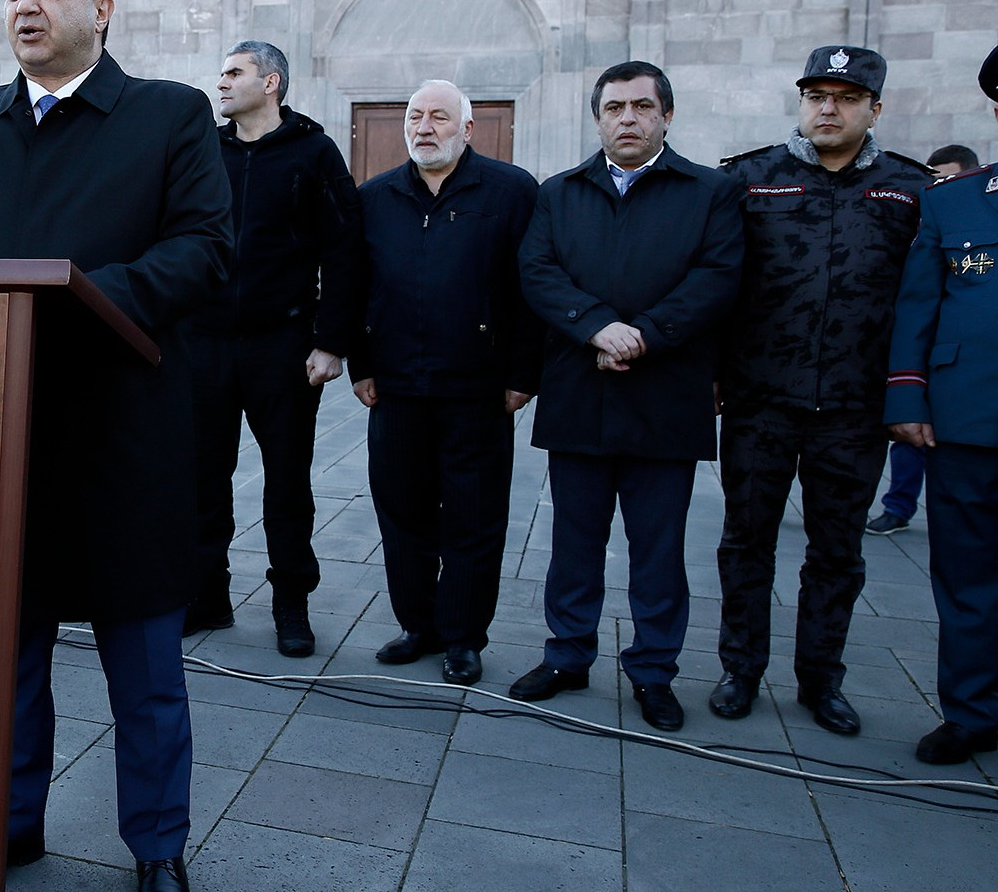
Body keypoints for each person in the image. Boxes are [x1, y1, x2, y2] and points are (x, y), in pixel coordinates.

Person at [0, 0, 231, 892]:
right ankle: (9, 825)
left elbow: (204, 250)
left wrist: (68, 299)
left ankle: (157, 847)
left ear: (102, 9)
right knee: (4, 660)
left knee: (146, 673)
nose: (26, 5)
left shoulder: (170, 115)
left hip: (124, 439)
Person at [509, 61, 743, 733]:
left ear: (666, 115)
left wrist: (646, 335)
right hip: (580, 392)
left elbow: (718, 275)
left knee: (658, 549)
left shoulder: (710, 192)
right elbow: (538, 271)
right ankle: (567, 655)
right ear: (598, 119)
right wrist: (595, 327)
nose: (628, 119)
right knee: (574, 542)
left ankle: (653, 671)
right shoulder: (560, 193)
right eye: (615, 108)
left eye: (642, 106)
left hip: (665, 397)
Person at [709, 46, 932, 735]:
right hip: (760, 400)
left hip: (853, 406)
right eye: (816, 96)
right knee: (746, 541)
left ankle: (820, 680)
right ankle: (740, 669)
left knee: (837, 551)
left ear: (874, 109)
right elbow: (718, 284)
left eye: (845, 98)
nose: (828, 109)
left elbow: (924, 299)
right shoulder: (750, 179)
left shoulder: (912, 189)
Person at [349, 79, 542, 686]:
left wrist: (523, 374)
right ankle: (417, 625)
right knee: (402, 513)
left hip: (478, 389)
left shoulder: (511, 192)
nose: (424, 127)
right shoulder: (375, 197)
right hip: (396, 389)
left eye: (439, 116)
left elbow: (530, 288)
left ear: (468, 129)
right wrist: (361, 365)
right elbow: (355, 287)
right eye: (415, 116)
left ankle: (462, 636)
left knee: (473, 517)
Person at [185, 40, 355, 657]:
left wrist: (331, 343)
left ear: (271, 82)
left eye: (235, 73)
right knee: (203, 479)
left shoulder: (314, 152)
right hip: (205, 343)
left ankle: (291, 604)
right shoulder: (205, 149)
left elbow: (344, 251)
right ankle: (206, 596)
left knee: (287, 481)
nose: (222, 83)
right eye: (222, 72)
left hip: (282, 345)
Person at [884, 46, 998, 764]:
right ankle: (973, 712)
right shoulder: (953, 200)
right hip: (968, 419)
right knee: (966, 578)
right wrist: (907, 395)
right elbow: (918, 306)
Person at [869, 142, 982, 536]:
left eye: (949, 177)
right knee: (909, 435)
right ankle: (898, 505)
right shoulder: (937, 207)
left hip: (963, 371)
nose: (940, 185)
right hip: (933, 361)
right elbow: (918, 297)